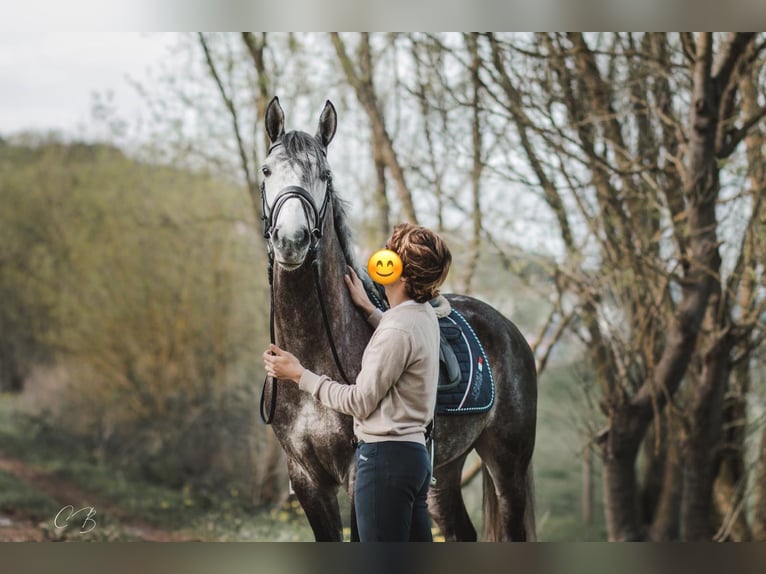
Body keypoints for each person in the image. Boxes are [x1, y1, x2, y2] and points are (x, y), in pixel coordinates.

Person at [263, 222, 452, 542]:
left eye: (390, 254)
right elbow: (403, 342)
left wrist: (299, 374)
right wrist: (368, 309)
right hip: (414, 460)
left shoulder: (396, 330)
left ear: (401, 273)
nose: (383, 256)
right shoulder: (421, 316)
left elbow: (360, 402)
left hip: (383, 462)